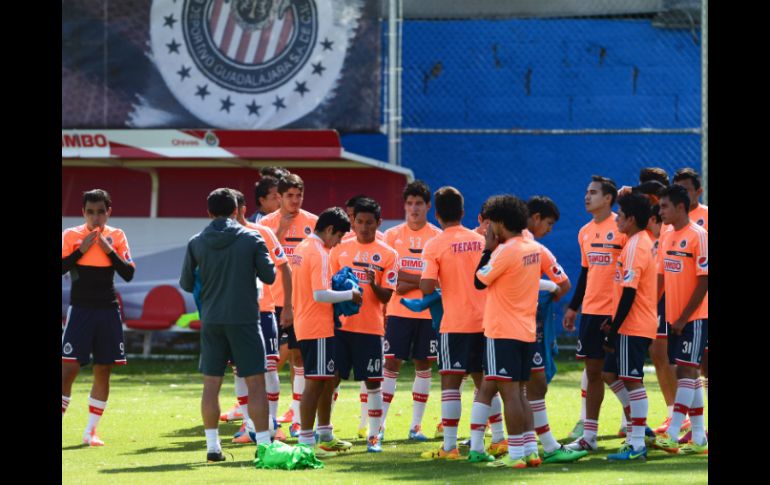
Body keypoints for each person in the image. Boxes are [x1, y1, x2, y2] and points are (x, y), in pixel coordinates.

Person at [179, 188, 276, 463]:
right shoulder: (251, 237)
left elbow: (186, 283)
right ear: (237, 210)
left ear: (209, 213)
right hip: (245, 319)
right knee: (256, 383)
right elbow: (269, 276)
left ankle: (212, 447)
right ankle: (265, 446)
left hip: (211, 319)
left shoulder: (196, 242)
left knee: (211, 384)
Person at [470, 195, 556, 468]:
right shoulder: (533, 246)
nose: (489, 228)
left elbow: (479, 280)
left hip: (501, 331)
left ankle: (516, 455)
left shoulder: (504, 251)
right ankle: (530, 450)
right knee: (520, 393)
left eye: (492, 223)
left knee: (509, 395)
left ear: (501, 223)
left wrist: (487, 248)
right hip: (526, 331)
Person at [416, 187, 492, 460]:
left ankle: (449, 447)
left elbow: (426, 285)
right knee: (486, 381)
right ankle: (496, 440)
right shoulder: (481, 240)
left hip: (455, 324)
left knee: (450, 383)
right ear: (462, 212)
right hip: (486, 322)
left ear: (436, 215)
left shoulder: (435, 243)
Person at [62, 189, 136, 446]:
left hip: (108, 311)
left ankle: (90, 432)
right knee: (67, 368)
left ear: (108, 212)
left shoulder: (117, 236)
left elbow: (128, 274)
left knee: (103, 369)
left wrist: (109, 251)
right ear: (83, 212)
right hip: (80, 310)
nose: (96, 217)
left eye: (100, 212)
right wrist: (80, 251)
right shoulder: (71, 236)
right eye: (90, 212)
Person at [564, 176, 631, 453]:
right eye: (586, 191)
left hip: (614, 312)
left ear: (608, 199)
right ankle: (589, 436)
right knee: (593, 372)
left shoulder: (623, 229)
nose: (586, 196)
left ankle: (636, 426)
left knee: (615, 373)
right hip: (590, 312)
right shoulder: (584, 232)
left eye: (593, 192)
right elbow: (585, 272)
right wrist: (573, 307)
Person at [520, 196, 586, 464]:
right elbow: (564, 284)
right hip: (524, 327)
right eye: (548, 223)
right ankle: (543, 446)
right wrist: (547, 293)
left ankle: (511, 443)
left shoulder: (498, 246)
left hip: (496, 326)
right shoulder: (534, 249)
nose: (549, 230)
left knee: (497, 385)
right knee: (532, 385)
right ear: (535, 217)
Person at [329, 198, 399, 452]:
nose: (364, 227)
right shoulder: (339, 250)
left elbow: (387, 296)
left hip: (370, 329)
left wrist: (374, 284)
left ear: (378, 223)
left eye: (370, 222)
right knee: (331, 378)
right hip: (341, 327)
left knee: (372, 383)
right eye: (360, 222)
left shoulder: (389, 254)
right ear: (352, 222)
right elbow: (329, 286)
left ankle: (373, 435)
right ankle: (324, 431)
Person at [292, 207, 361, 457]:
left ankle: (323, 434)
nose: (339, 243)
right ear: (330, 230)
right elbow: (320, 294)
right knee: (316, 382)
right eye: (339, 236)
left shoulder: (302, 248)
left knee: (325, 379)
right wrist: (351, 294)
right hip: (316, 325)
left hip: (307, 322)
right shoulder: (319, 252)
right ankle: (306, 441)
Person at [226, 189, 291, 443]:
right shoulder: (224, 237)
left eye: (235, 209)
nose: (231, 215)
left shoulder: (262, 231)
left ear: (242, 208)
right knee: (240, 372)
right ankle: (248, 426)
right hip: (235, 314)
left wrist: (286, 306)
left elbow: (284, 266)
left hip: (264, 311)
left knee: (270, 369)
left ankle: (273, 424)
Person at [380, 180, 443, 441]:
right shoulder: (392, 236)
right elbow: (387, 274)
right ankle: (379, 424)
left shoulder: (438, 237)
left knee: (423, 364)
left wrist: (409, 281)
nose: (414, 208)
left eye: (419, 203)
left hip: (428, 313)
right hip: (397, 311)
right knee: (391, 362)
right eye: (409, 203)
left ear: (428, 206)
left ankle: (416, 426)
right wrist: (421, 281)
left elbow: (441, 279)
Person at [600, 192, 657, 461]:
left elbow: (630, 293)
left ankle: (636, 445)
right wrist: (612, 321)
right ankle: (639, 426)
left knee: (633, 381)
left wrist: (615, 329)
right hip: (629, 323)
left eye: (620, 216)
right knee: (610, 374)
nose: (616, 221)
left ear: (631, 219)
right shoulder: (636, 241)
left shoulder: (636, 245)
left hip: (634, 326)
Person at [260, 174, 318, 436]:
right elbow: (263, 258)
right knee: (269, 361)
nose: (295, 201)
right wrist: (281, 231)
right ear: (279, 198)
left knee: (299, 357)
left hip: (302, 303)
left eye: (299, 195)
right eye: (289, 196)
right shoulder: (266, 224)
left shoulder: (313, 222)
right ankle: (266, 420)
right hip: (272, 302)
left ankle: (296, 415)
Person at [653, 184, 709, 455]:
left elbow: (704, 281)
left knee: (687, 371)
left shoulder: (699, 236)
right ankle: (699, 438)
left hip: (694, 317)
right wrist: (652, 308)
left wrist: (685, 317)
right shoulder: (666, 236)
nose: (660, 211)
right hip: (673, 318)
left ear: (680, 207)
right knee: (687, 373)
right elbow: (661, 277)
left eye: (664, 206)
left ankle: (674, 433)